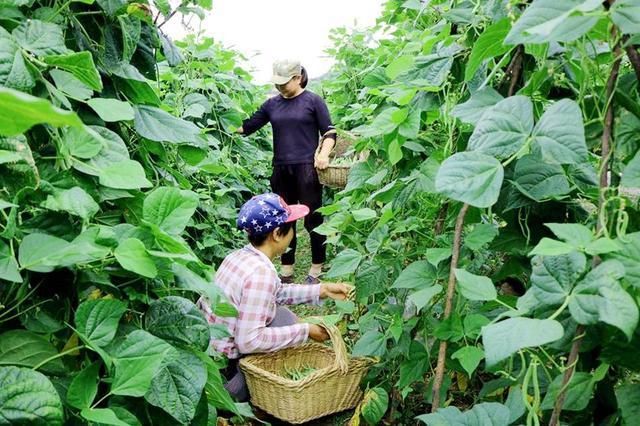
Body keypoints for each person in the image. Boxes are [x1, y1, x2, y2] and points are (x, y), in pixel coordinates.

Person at [197, 193, 352, 402]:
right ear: (278, 233)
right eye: (292, 227)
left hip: (206, 358)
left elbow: (276, 293)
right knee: (286, 322)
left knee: (282, 317)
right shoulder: (260, 274)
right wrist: (306, 330)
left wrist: (322, 290)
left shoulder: (239, 257)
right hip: (225, 376)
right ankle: (242, 396)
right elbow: (249, 341)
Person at [236, 59, 336, 284]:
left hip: (307, 169)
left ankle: (317, 267)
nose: (280, 87)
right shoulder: (272, 105)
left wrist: (323, 154)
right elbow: (248, 126)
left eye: (284, 82)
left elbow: (329, 132)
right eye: (277, 83)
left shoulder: (313, 101)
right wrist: (222, 122)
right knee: (283, 219)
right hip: (281, 170)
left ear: (297, 78)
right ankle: (287, 269)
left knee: (313, 218)